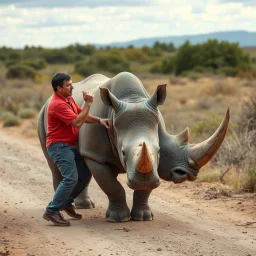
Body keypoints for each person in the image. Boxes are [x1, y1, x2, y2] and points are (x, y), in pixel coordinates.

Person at [43, 73, 109, 226]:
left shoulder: (68, 98)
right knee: (71, 178)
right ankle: (52, 211)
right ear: (59, 88)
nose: (72, 87)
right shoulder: (57, 104)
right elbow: (77, 122)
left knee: (85, 173)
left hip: (70, 145)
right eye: (68, 85)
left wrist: (99, 120)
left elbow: (82, 115)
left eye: (71, 84)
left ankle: (66, 203)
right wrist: (88, 103)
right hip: (58, 146)